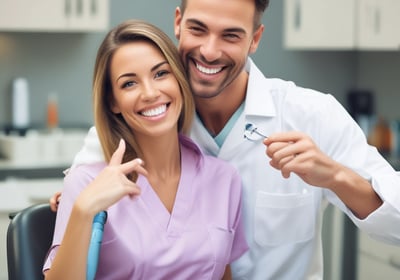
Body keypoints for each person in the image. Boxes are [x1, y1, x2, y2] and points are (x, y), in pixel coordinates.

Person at [52, 0, 400, 279]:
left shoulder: (312, 114)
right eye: (197, 29)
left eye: (231, 35)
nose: (209, 51)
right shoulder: (141, 118)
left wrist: (337, 177)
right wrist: (73, 201)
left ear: (255, 38)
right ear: (178, 22)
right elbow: (81, 200)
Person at [43, 19, 248, 280]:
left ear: (179, 80)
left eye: (161, 73)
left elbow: (223, 274)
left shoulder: (224, 179)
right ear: (112, 101)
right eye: (129, 83)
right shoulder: (85, 183)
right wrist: (84, 209)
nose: (150, 93)